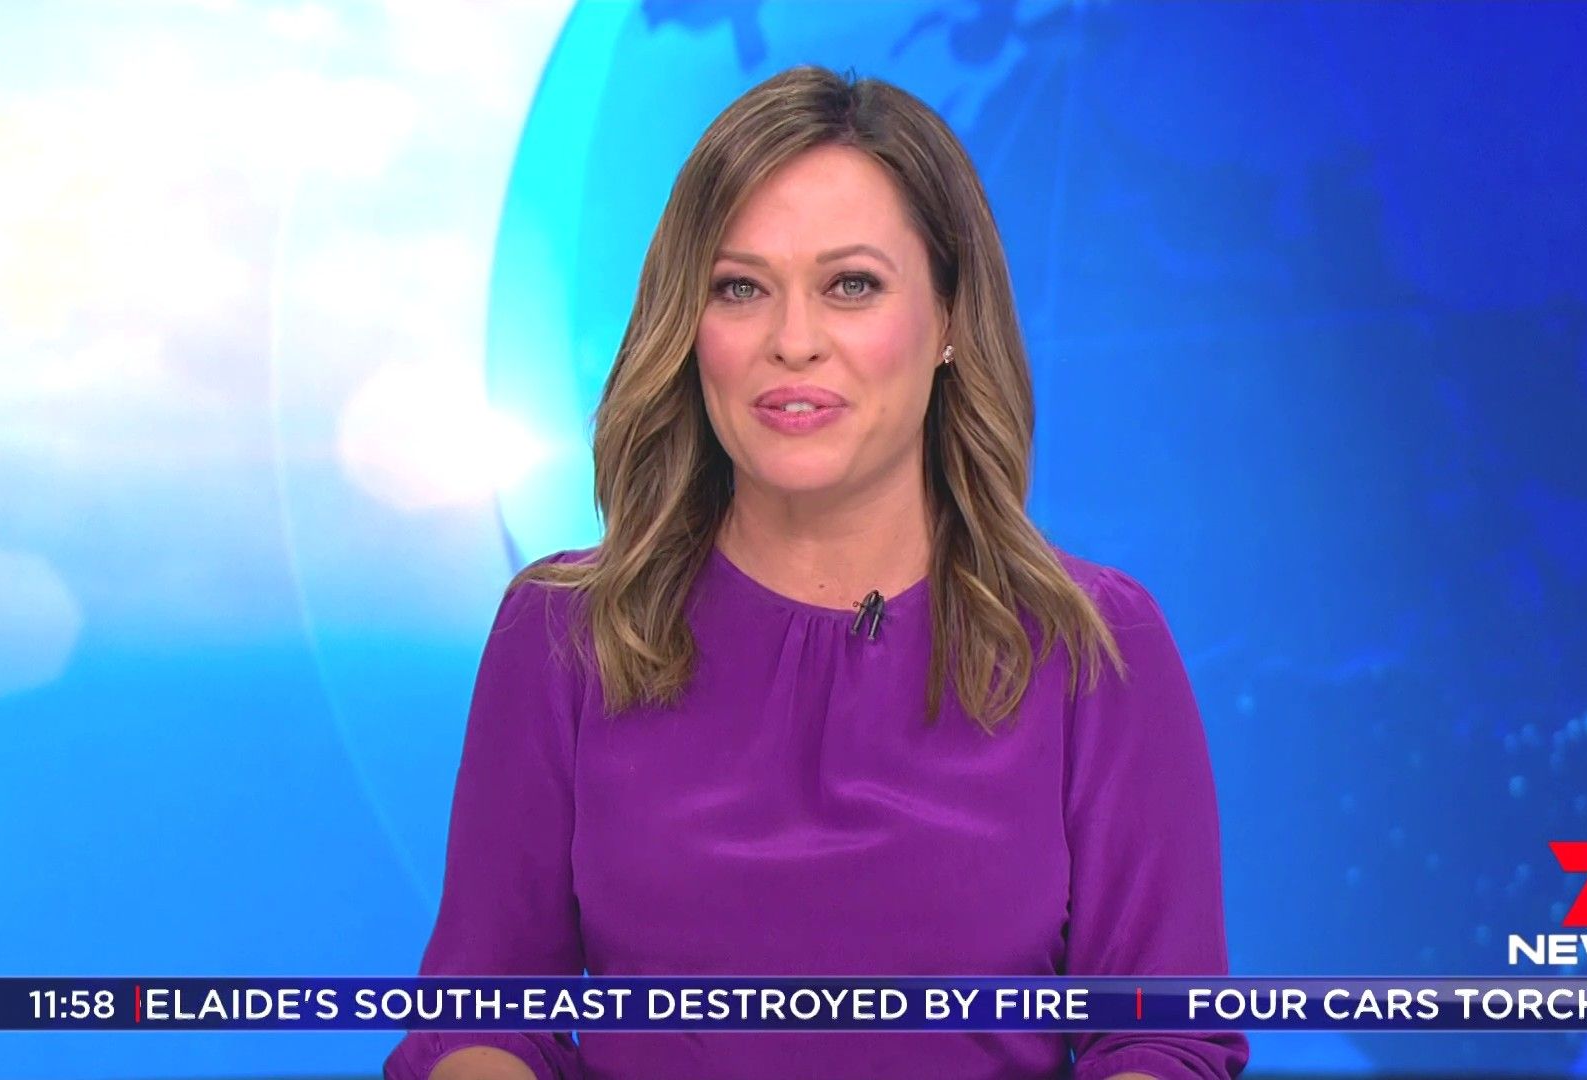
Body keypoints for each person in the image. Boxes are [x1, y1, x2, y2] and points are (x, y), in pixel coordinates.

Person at [384, 65, 1247, 1080]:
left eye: (852, 286)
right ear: (687, 326)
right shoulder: (564, 632)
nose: (793, 343)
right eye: (740, 288)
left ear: (950, 319)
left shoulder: (1094, 646)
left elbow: (1161, 1038)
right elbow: (480, 1021)